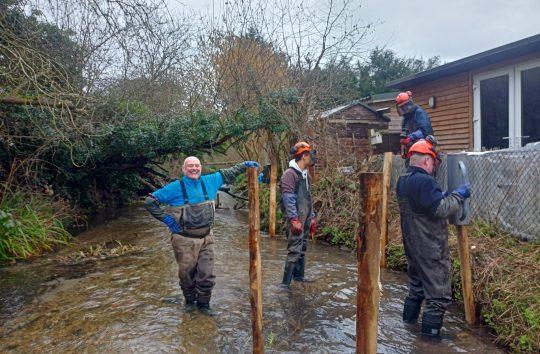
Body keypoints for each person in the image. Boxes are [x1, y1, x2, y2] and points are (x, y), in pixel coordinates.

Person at [144, 157, 259, 312]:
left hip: (207, 238)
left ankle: (204, 305)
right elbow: (150, 201)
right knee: (187, 276)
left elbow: (229, 173)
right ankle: (190, 303)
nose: (194, 169)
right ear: (184, 169)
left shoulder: (210, 181)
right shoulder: (174, 188)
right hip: (183, 240)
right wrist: (166, 220)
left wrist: (244, 165)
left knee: (207, 275)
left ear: (201, 167)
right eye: (190, 166)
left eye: (197, 165)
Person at [396, 139, 471, 337]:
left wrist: (441, 195)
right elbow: (441, 209)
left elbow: (423, 204)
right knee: (438, 297)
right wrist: (458, 196)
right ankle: (429, 342)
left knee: (416, 290)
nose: (435, 167)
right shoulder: (426, 181)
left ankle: (407, 328)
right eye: (434, 162)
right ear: (427, 160)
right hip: (430, 248)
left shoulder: (403, 180)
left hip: (412, 247)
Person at [279, 142, 317, 289]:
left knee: (303, 248)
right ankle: (285, 284)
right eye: (310, 155)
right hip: (295, 219)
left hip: (306, 217)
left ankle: (299, 278)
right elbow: (288, 199)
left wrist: (312, 216)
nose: (312, 158)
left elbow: (308, 197)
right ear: (304, 156)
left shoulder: (306, 175)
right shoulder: (290, 174)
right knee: (294, 249)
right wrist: (294, 219)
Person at [395, 91, 434, 157]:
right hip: (412, 150)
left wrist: (410, 137)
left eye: (405, 106)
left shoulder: (419, 113)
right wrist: (403, 147)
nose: (404, 108)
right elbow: (404, 134)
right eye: (402, 107)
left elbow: (425, 131)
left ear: (409, 103)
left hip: (424, 149)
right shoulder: (405, 119)